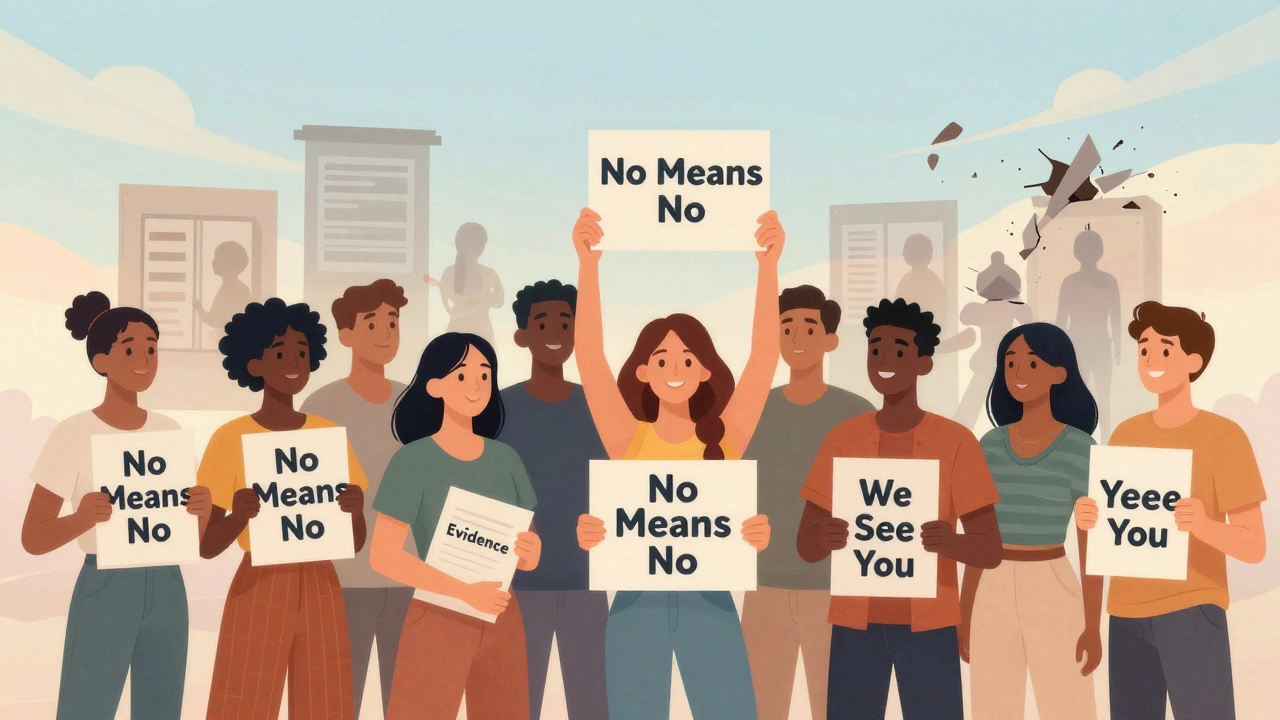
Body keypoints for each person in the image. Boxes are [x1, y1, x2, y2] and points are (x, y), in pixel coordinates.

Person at [572, 207, 779, 720]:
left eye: (687, 360)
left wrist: (769, 266)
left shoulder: (725, 439)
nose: (674, 370)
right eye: (661, 360)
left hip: (710, 602)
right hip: (635, 603)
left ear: (705, 369)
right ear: (642, 370)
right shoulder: (627, 439)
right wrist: (588, 264)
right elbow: (591, 360)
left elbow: (762, 361)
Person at [796, 297, 1002, 720]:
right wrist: (825, 536)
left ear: (924, 363)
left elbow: (990, 549)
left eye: (899, 350)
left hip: (930, 628)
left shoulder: (957, 442)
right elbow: (805, 545)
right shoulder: (842, 440)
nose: (884, 359)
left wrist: (951, 543)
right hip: (856, 628)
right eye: (875, 349)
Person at [22, 291, 212, 720]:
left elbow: (191, 539)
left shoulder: (169, 430)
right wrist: (81, 519)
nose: (144, 357)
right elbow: (32, 537)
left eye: (151, 348)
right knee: (85, 708)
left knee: (161, 709)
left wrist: (202, 512)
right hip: (106, 585)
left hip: (168, 585)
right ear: (101, 360)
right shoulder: (73, 434)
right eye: (130, 348)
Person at [1074, 302, 1266, 720]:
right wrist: (1090, 520)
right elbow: (1113, 529)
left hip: (1192, 611)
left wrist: (1204, 526)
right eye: (1143, 350)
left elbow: (1255, 546)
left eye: (1164, 349)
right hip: (1125, 615)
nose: (1150, 361)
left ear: (1194, 361)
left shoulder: (1224, 437)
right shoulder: (1125, 434)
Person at [198, 297, 369, 720]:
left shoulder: (327, 435)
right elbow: (205, 545)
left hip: (320, 582)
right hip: (260, 580)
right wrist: (238, 516)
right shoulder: (229, 437)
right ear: (253, 364)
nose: (293, 362)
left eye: (301, 353)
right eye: (279, 353)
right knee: (243, 698)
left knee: (326, 700)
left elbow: (355, 540)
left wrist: (355, 510)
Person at [370, 332, 542, 720]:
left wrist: (532, 553)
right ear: (434, 386)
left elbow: (527, 545)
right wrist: (464, 592)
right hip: (438, 615)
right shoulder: (412, 462)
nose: (477, 385)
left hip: (501, 613)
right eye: (463, 375)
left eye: (485, 375)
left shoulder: (507, 459)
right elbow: (384, 556)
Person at [740, 284, 874, 720]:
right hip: (764, 586)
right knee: (761, 708)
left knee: (838, 708)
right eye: (787, 327)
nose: (796, 337)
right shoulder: (752, 411)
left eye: (809, 327)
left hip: (836, 590)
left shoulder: (857, 414)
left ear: (830, 340)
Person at [960, 322, 1101, 720]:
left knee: (1068, 706)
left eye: (1032, 363)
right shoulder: (989, 445)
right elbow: (978, 533)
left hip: (1052, 583)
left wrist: (1093, 624)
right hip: (992, 583)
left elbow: (1092, 545)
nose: (1018, 373)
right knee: (992, 707)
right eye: (1010, 362)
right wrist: (965, 609)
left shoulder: (1080, 447)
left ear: (1060, 373)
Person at [499, 279, 610, 720]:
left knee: (594, 705)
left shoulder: (601, 409)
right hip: (517, 590)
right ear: (522, 335)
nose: (555, 331)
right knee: (516, 706)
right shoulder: (498, 410)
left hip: (588, 585)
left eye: (567, 322)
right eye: (542, 321)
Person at [299, 279, 410, 719]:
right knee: (337, 702)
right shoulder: (321, 407)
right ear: (346, 334)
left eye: (393, 321)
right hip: (342, 583)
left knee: (406, 704)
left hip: (408, 577)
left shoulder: (417, 403)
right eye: (372, 322)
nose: (385, 332)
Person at [949, 252, 1032, 429]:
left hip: (994, 358)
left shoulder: (991, 308)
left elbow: (1027, 317)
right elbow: (1027, 316)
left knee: (978, 401)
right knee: (977, 401)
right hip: (996, 359)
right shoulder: (1006, 308)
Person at [1056, 227, 1122, 441]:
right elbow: (1060, 319)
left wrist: (1118, 346)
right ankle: (1085, 437)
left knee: (1100, 394)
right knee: (1082, 394)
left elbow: (1116, 316)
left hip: (1093, 344)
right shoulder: (1072, 282)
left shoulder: (1105, 281)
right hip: (1081, 344)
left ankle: (1103, 437)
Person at [425, 222, 504, 342]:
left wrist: (476, 303)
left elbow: (499, 301)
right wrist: (482, 301)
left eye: (481, 243)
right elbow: (450, 308)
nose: (479, 247)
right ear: (461, 244)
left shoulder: (489, 273)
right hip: (459, 330)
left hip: (482, 331)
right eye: (475, 243)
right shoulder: (450, 272)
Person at [197, 241, 252, 339]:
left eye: (217, 258)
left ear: (230, 263)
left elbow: (217, 320)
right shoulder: (232, 287)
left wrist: (200, 310)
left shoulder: (236, 289)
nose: (213, 262)